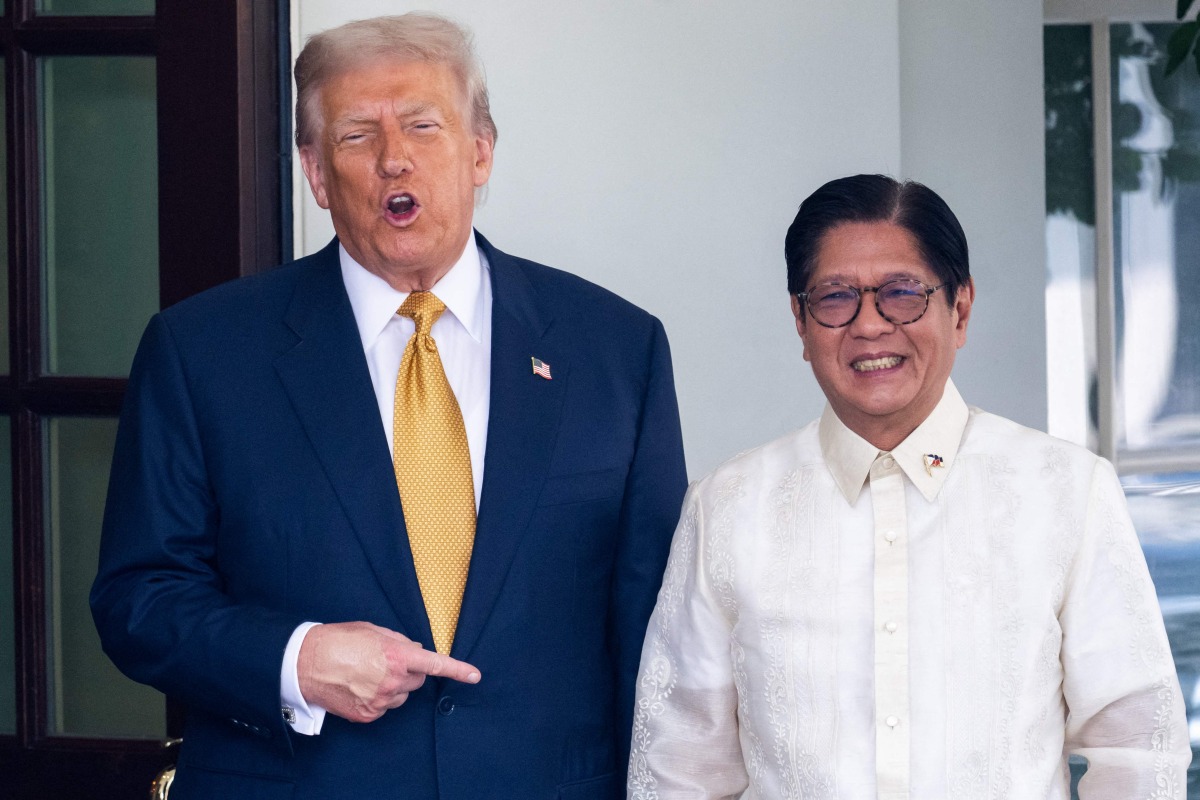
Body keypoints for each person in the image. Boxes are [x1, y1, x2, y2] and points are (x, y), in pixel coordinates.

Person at [91, 13, 687, 800]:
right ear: (315, 173)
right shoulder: (202, 352)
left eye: (423, 126)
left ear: (481, 151)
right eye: (356, 136)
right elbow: (139, 598)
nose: (394, 158)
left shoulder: (615, 349)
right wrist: (295, 659)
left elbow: (657, 626)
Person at [627, 174, 1190, 798]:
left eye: (902, 294)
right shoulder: (729, 507)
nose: (869, 325)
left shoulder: (1064, 492)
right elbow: (679, 767)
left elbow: (1137, 748)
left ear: (960, 309)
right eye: (835, 298)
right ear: (800, 322)